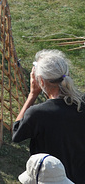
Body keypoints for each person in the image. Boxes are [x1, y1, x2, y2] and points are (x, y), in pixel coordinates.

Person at [12, 49, 85, 182]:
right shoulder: (82, 103)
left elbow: (16, 133)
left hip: (50, 178)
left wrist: (32, 95)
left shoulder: (38, 114)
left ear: (40, 80)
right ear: (67, 74)